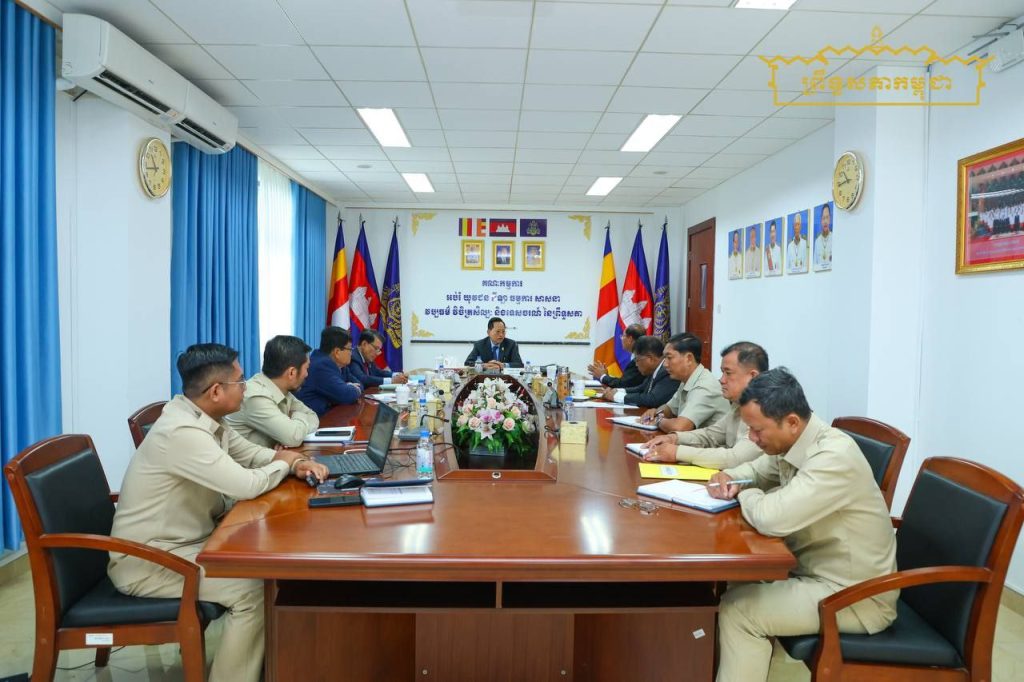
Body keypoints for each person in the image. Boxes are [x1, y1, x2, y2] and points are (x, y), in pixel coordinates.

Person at [108, 343, 329, 682]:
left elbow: (252, 454)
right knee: (252, 590)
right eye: (239, 382)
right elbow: (246, 484)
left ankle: (272, 664)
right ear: (215, 391)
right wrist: (285, 465)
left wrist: (294, 461)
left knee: (269, 564)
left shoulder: (205, 417)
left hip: (188, 542)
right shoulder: (182, 432)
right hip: (150, 561)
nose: (246, 388)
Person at [707, 368, 898, 682]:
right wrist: (731, 477)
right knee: (736, 582)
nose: (752, 438)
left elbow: (772, 518)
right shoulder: (792, 443)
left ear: (792, 422)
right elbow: (756, 471)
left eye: (757, 430)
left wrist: (744, 491)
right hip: (813, 571)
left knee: (740, 612)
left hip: (856, 595)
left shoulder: (833, 456)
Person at [643, 341, 768, 469]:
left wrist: (677, 452)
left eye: (728, 373)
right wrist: (674, 438)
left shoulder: (767, 410)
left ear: (753, 376)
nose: (721, 380)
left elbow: (735, 458)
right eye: (722, 372)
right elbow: (710, 435)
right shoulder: (739, 404)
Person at [224, 335, 319, 448]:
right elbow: (294, 437)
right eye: (306, 368)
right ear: (292, 373)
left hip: (270, 456)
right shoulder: (255, 396)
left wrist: (294, 427)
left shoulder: (282, 389)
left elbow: (313, 417)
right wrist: (298, 417)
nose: (307, 374)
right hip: (249, 460)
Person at [640, 333, 730, 433]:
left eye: (669, 358)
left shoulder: (705, 386)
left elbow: (680, 427)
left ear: (688, 358)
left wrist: (657, 420)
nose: (665, 364)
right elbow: (670, 409)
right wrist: (655, 412)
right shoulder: (687, 380)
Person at [294, 326, 363, 416]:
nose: (351, 353)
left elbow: (359, 384)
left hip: (330, 415)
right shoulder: (321, 366)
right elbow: (346, 395)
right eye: (350, 349)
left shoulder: (341, 366)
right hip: (315, 420)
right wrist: (350, 387)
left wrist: (348, 388)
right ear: (337, 352)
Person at [600, 335, 679, 408]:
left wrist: (617, 396)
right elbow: (641, 388)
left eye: (637, 360)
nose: (636, 365)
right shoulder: (655, 370)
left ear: (650, 358)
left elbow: (653, 399)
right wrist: (617, 391)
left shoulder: (667, 371)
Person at [587, 323, 645, 389]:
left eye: (623, 336)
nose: (621, 339)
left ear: (630, 339)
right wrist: (605, 376)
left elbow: (623, 385)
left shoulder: (639, 360)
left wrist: (602, 376)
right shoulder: (636, 355)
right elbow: (626, 381)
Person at [814, 203, 833, 270]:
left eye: (827, 217)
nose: (825, 221)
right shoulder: (817, 241)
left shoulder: (834, 238)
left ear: (830, 219)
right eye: (823, 218)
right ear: (821, 221)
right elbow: (815, 265)